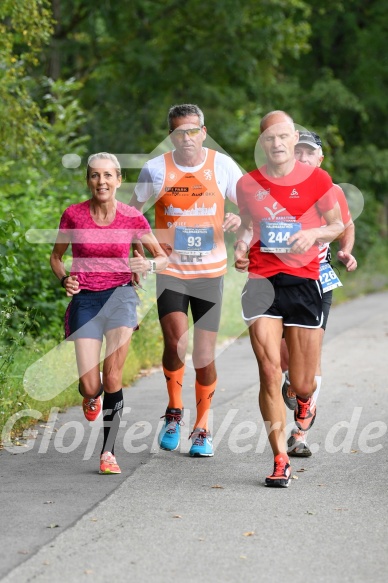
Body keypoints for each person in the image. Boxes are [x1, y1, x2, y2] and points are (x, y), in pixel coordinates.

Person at [234, 111, 344, 488]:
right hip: (262, 280)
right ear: (262, 143)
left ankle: (303, 399)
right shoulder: (248, 184)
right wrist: (240, 244)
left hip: (304, 282)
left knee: (301, 382)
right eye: (270, 138)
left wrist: (313, 236)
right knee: (267, 371)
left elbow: (337, 224)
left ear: (292, 138)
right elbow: (248, 225)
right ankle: (280, 458)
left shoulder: (318, 179)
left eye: (283, 137)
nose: (277, 144)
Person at [130, 103, 242, 457]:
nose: (187, 138)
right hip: (172, 272)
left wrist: (240, 223)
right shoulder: (155, 170)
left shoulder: (222, 166)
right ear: (171, 136)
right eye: (180, 132)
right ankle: (175, 411)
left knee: (205, 354)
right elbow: (132, 216)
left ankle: (203, 427)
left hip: (210, 275)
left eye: (193, 131)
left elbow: (251, 208)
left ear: (203, 133)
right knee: (176, 342)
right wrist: (138, 255)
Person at [50, 152, 168, 475]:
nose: (101, 182)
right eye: (94, 176)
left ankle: (108, 452)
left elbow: (162, 257)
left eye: (107, 176)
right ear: (88, 180)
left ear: (119, 180)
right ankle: (91, 397)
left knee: (113, 376)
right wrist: (65, 279)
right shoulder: (73, 215)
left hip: (121, 299)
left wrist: (147, 264)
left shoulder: (132, 217)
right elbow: (56, 257)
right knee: (91, 385)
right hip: (86, 299)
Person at [282, 131, 357, 457]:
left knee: (310, 355)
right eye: (295, 151)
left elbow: (346, 225)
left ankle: (300, 433)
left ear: (319, 159)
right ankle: (295, 387)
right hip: (277, 276)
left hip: (317, 277)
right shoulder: (273, 188)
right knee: (284, 355)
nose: (301, 157)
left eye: (308, 152)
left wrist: (345, 252)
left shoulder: (331, 190)